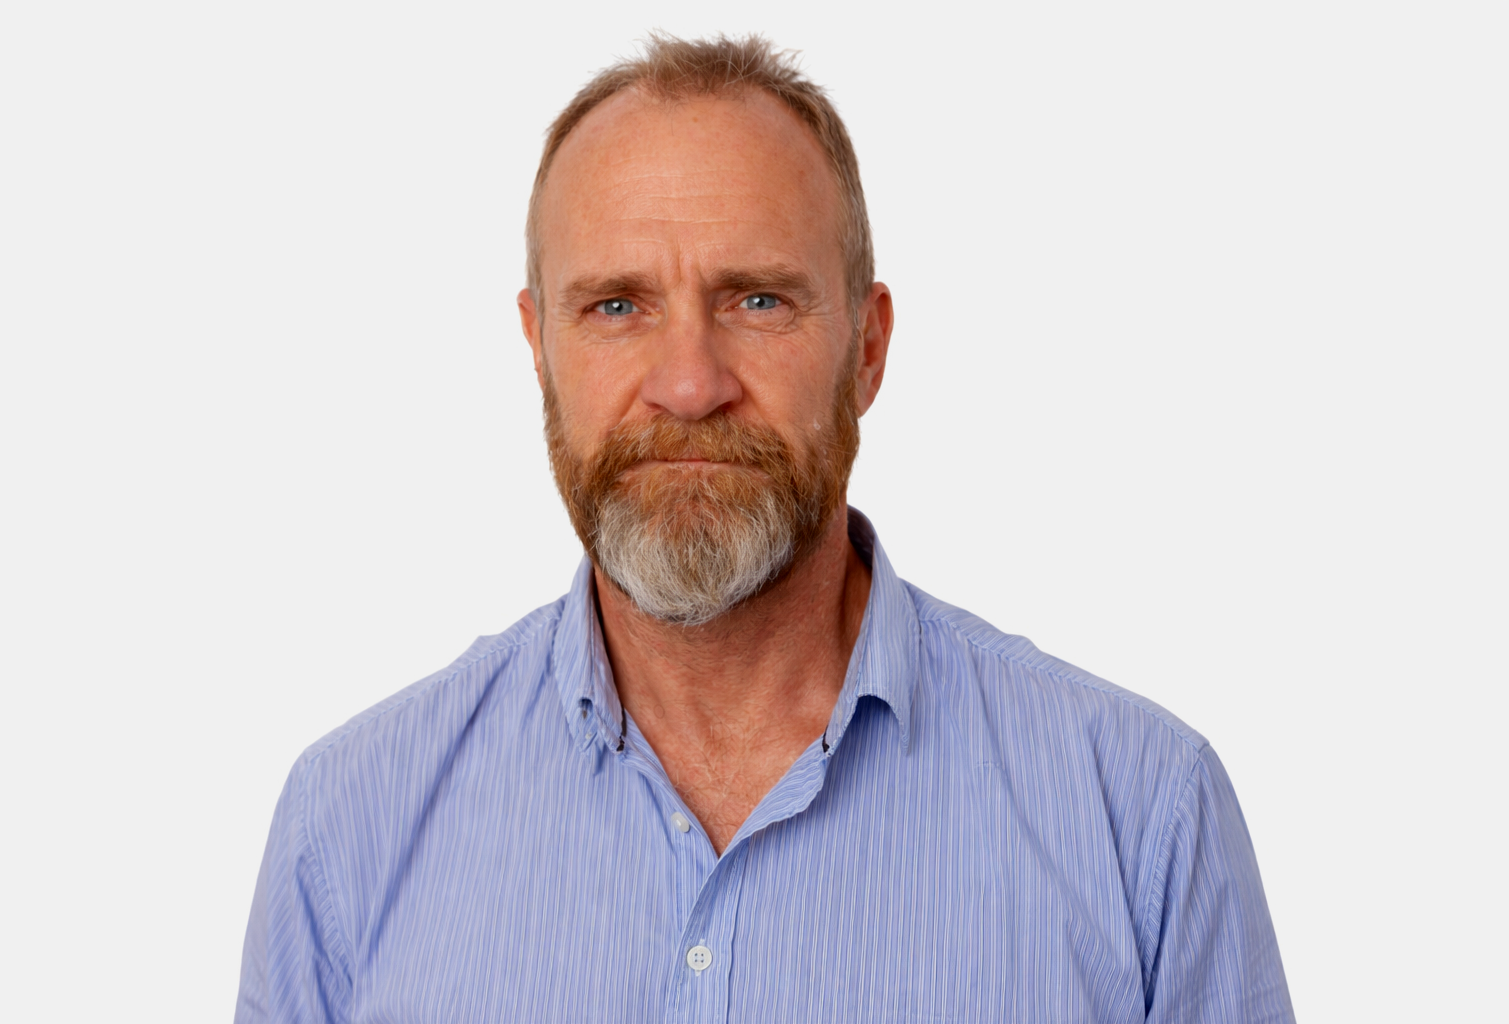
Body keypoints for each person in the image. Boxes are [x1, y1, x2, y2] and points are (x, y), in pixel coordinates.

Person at [236, 33, 1294, 1024]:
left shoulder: (1143, 818)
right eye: (616, 306)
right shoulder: (349, 832)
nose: (690, 384)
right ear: (538, 346)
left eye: (757, 301)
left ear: (869, 349)